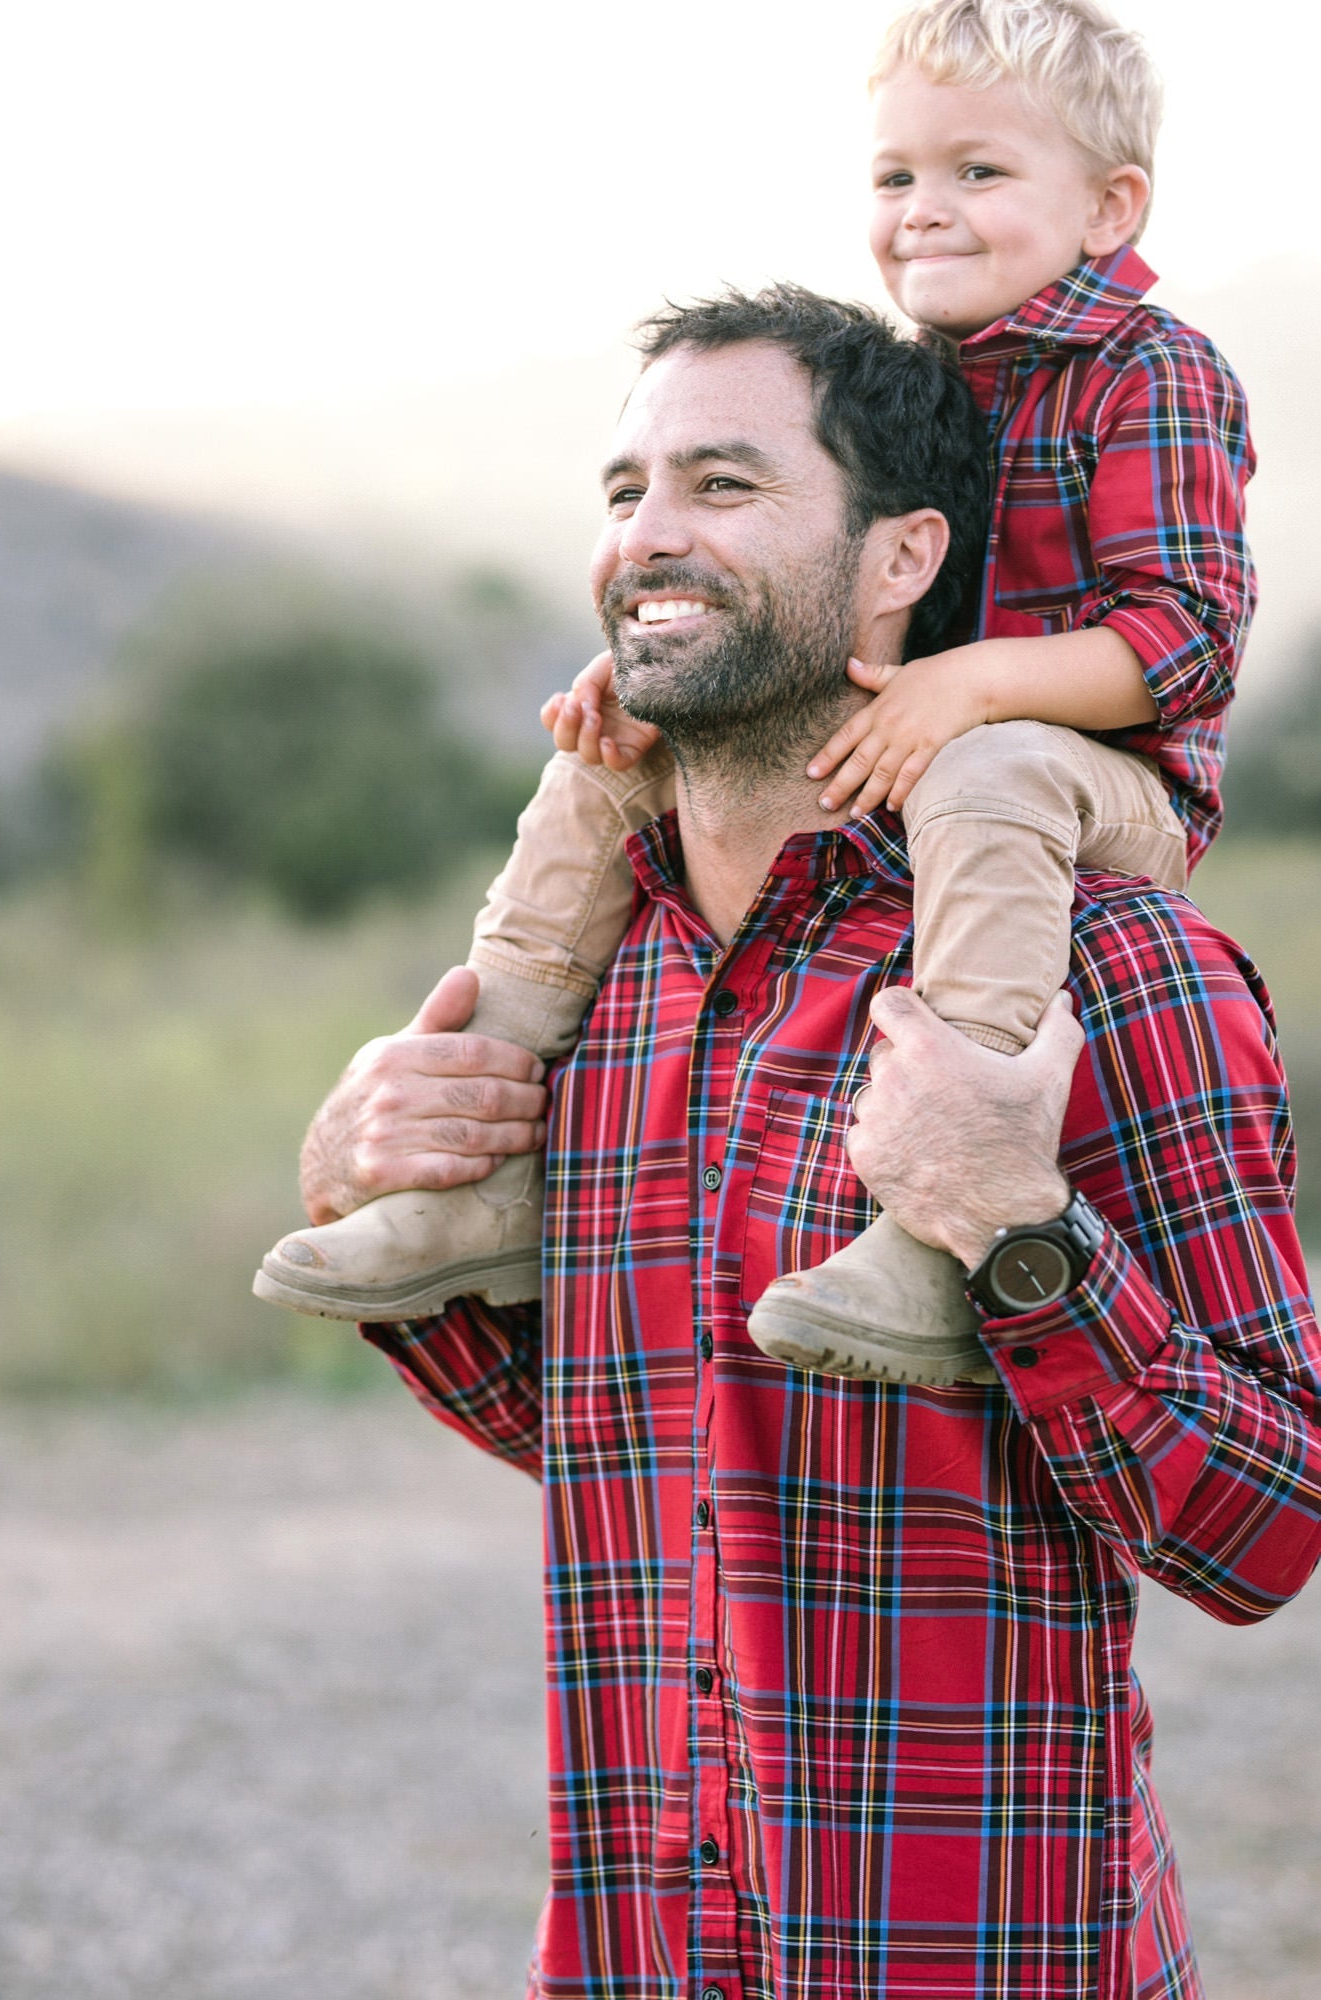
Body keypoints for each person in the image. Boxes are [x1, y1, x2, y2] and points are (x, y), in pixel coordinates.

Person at [283, 289, 1321, 2000]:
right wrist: (368, 1191)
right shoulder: (600, 988)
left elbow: (1271, 1529)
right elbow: (636, 1438)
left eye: (722, 485)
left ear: (904, 556)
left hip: (975, 1956)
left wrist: (1013, 1228)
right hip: (644, 1946)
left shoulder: (1104, 961)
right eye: (624, 493)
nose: (650, 539)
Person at [253, 0, 1257, 1386]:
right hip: (949, 752)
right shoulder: (933, 383)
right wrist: (661, 657)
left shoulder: (1149, 372)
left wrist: (963, 686)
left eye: (977, 171)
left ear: (1110, 204)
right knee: (597, 767)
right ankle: (477, 1183)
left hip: (1103, 788)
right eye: (894, 176)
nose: (922, 210)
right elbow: (605, 1437)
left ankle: (929, 1225)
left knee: (987, 768)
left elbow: (1186, 639)